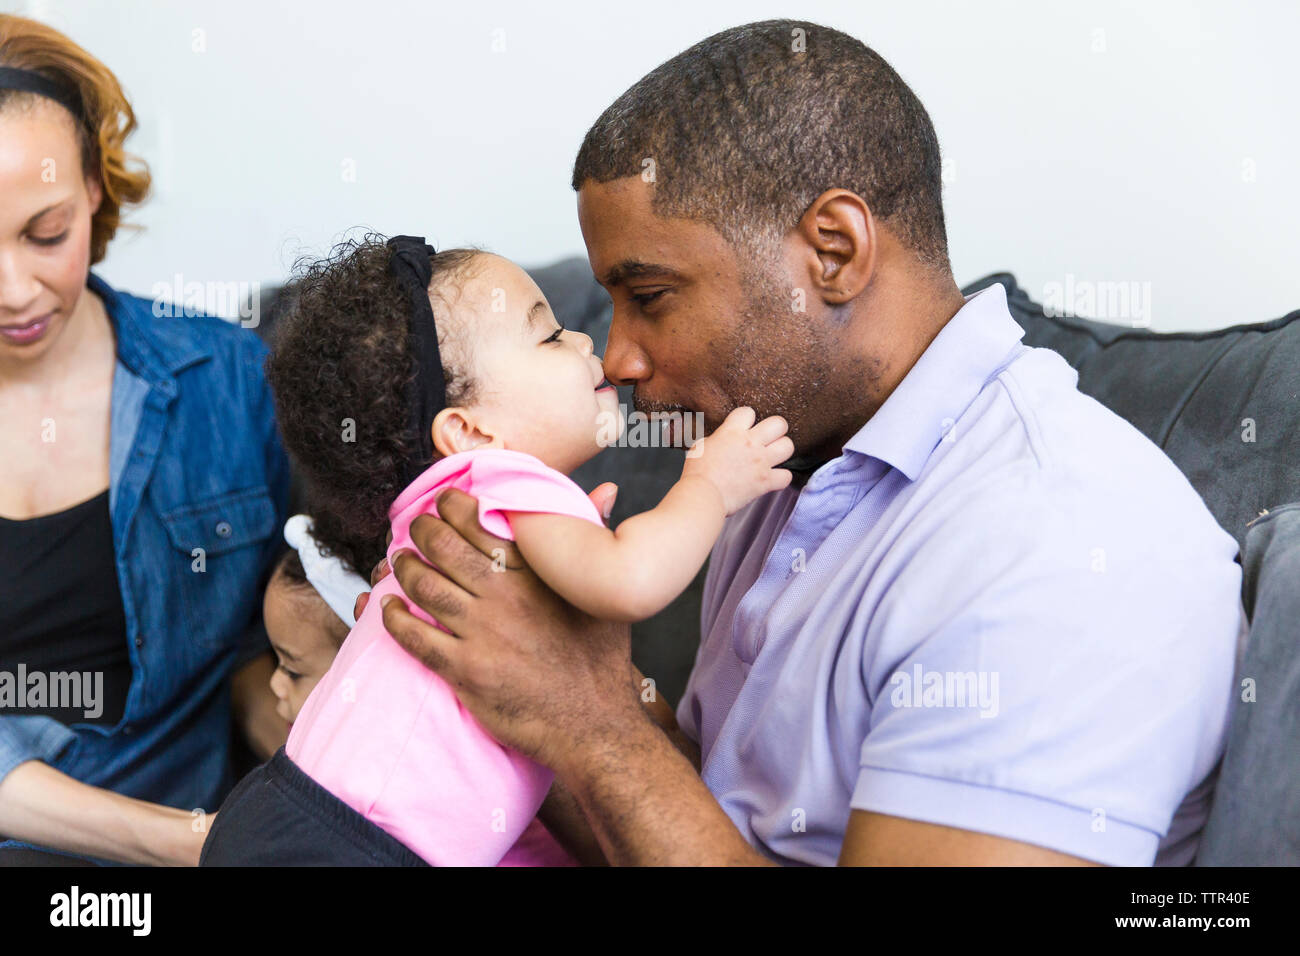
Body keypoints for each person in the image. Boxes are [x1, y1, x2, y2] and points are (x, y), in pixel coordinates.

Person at [374, 20, 1245, 866]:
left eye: (652, 296)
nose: (617, 359)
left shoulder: (1054, 545)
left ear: (834, 251)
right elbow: (702, 817)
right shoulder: (790, 456)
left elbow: (611, 750)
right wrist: (506, 674)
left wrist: (589, 719)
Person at [200, 235, 789, 866]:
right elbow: (633, 579)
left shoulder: (437, 509)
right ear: (469, 432)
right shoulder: (500, 480)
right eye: (550, 337)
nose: (587, 343)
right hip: (355, 845)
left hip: (286, 808)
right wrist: (708, 486)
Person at [0, 14, 290, 865]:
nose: (14, 290)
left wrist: (321, 774)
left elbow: (257, 649)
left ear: (94, 186)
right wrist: (197, 846)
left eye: (45, 234)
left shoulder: (225, 378)